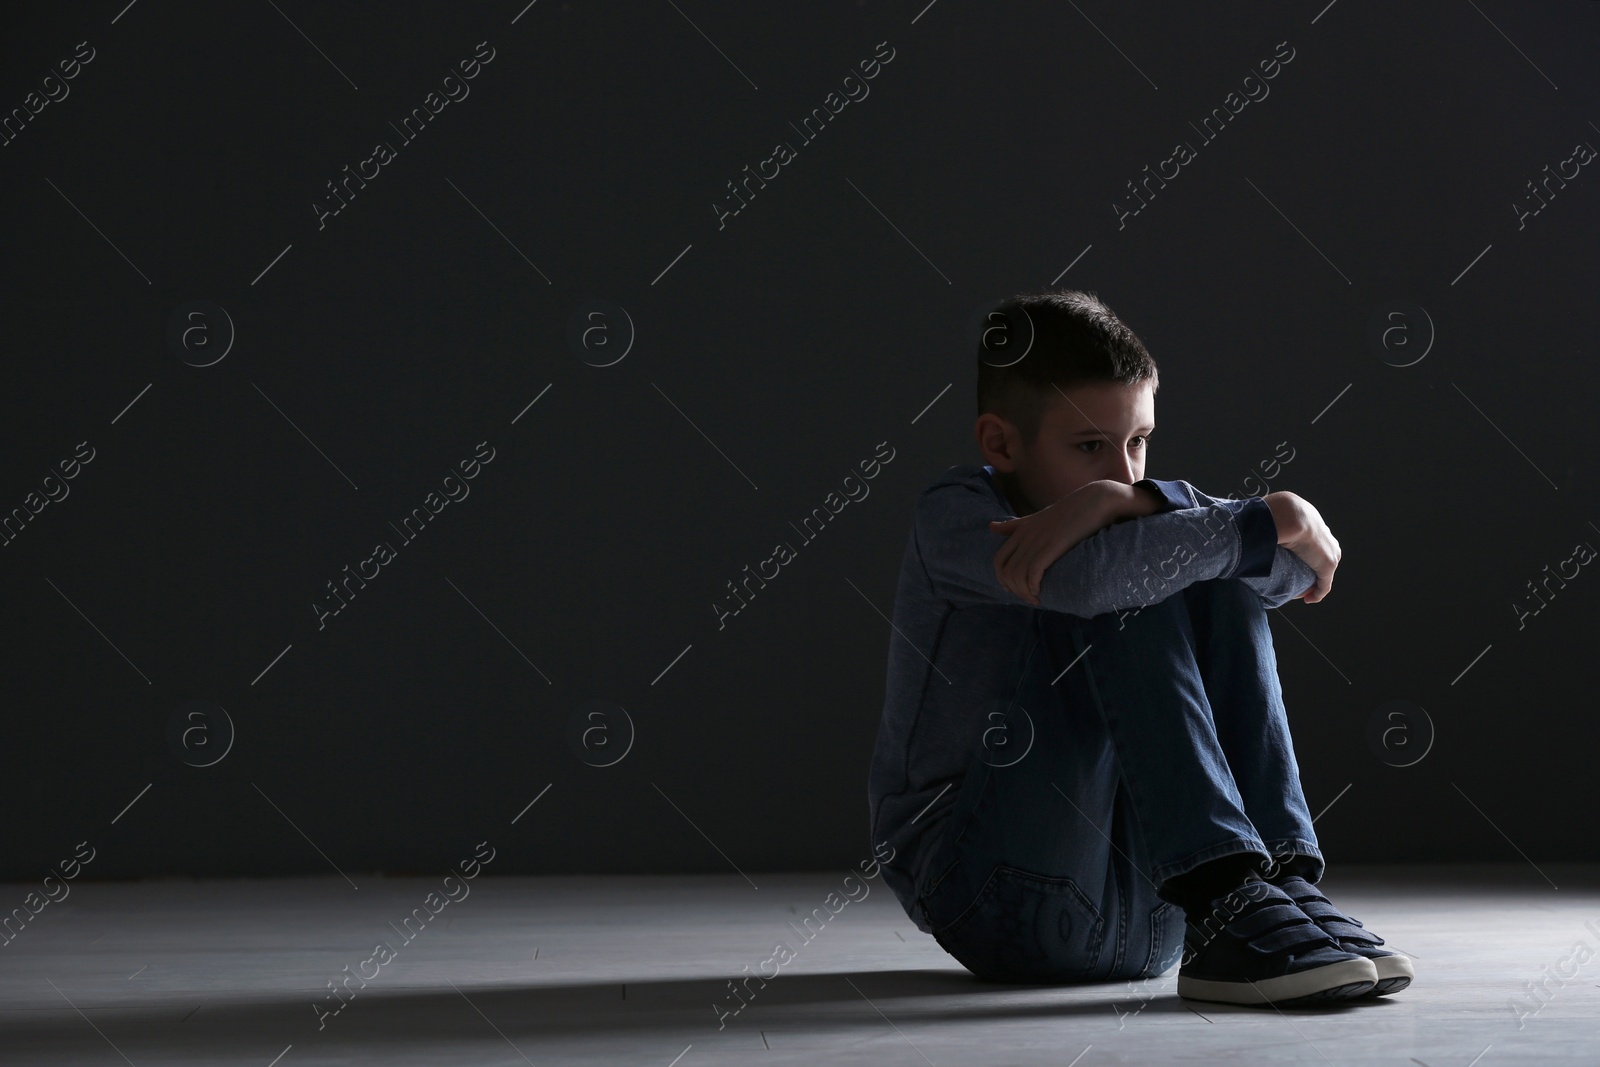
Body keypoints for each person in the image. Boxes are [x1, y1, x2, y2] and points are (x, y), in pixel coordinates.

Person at [866, 287, 1413, 1006]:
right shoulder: (958, 516)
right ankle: (1231, 891)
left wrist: (1137, 502)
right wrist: (1273, 512)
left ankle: (1277, 889)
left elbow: (1291, 573)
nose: (1124, 471)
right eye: (1090, 446)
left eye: (1138, 442)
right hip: (994, 897)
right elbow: (1100, 579)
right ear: (1002, 443)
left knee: (1210, 569)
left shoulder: (1131, 500)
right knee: (1132, 573)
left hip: (1167, 914)